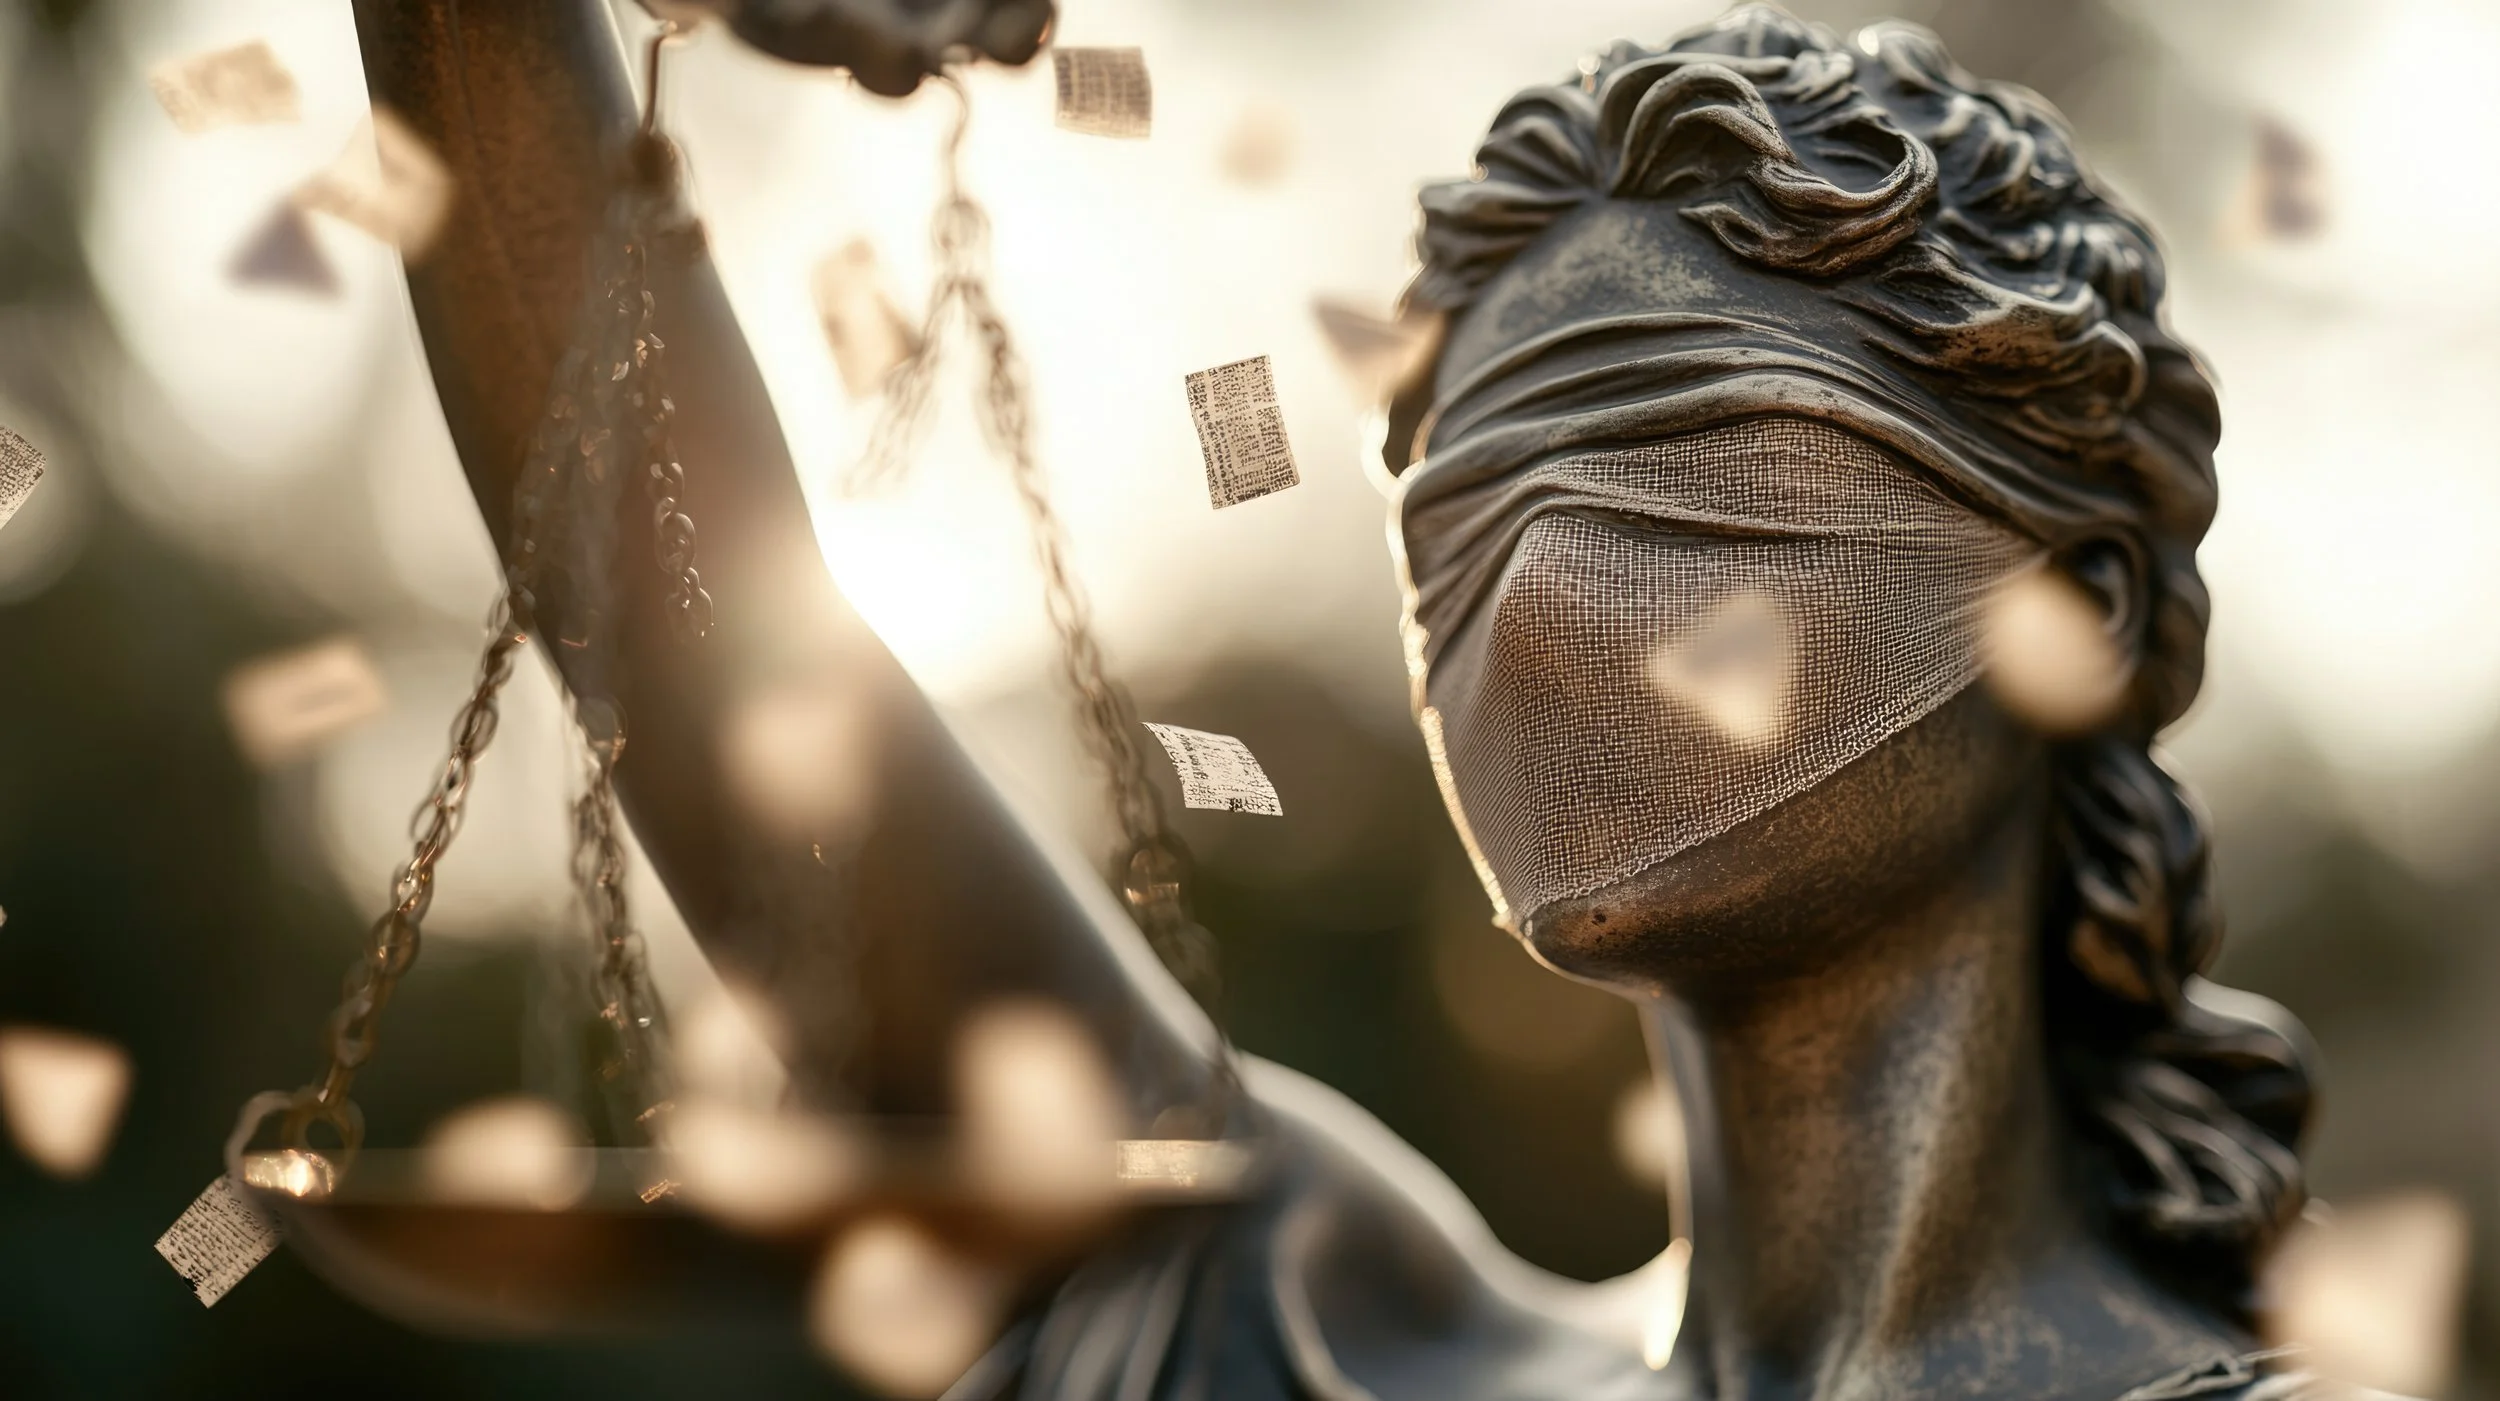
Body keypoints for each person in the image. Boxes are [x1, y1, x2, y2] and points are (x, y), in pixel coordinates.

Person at [355, 2, 2353, 1395]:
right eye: (1454, 547)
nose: (1544, 620)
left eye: (1684, 481)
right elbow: (681, 625)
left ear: (2066, 612)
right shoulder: (1268, 1325)